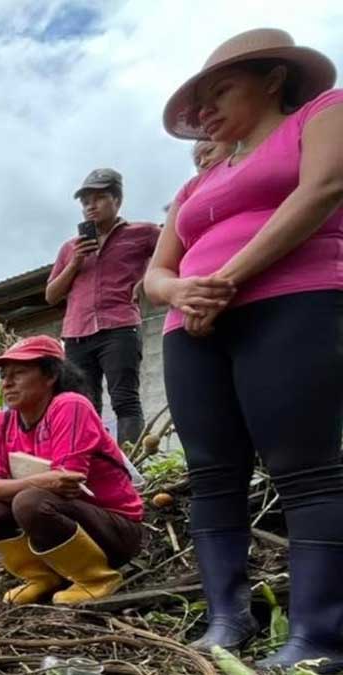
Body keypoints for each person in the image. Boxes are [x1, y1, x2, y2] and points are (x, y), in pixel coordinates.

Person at [147, 28, 343, 668]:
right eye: (196, 104)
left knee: (306, 467)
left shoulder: (322, 114)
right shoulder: (195, 186)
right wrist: (183, 294)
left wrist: (228, 280)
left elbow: (322, 191)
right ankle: (227, 619)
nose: (204, 112)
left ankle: (317, 636)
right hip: (193, 329)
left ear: (274, 79)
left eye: (219, 92)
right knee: (211, 474)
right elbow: (156, 273)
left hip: (293, 301)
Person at [0, 336, 144, 606]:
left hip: (114, 531)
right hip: (57, 525)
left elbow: (68, 483)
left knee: (29, 501)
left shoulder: (69, 405)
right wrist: (44, 480)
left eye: (19, 373)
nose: (7, 383)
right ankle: (42, 578)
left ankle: (97, 578)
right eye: (4, 375)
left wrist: (19, 486)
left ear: (50, 376)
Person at [44, 168, 160, 448]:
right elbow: (51, 295)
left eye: (99, 198)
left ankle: (132, 467)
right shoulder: (70, 248)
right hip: (76, 333)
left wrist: (147, 280)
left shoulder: (143, 233)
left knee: (124, 398)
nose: (91, 206)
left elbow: (175, 252)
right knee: (84, 404)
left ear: (117, 200)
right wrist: (75, 261)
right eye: (85, 202)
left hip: (119, 326)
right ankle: (91, 464)